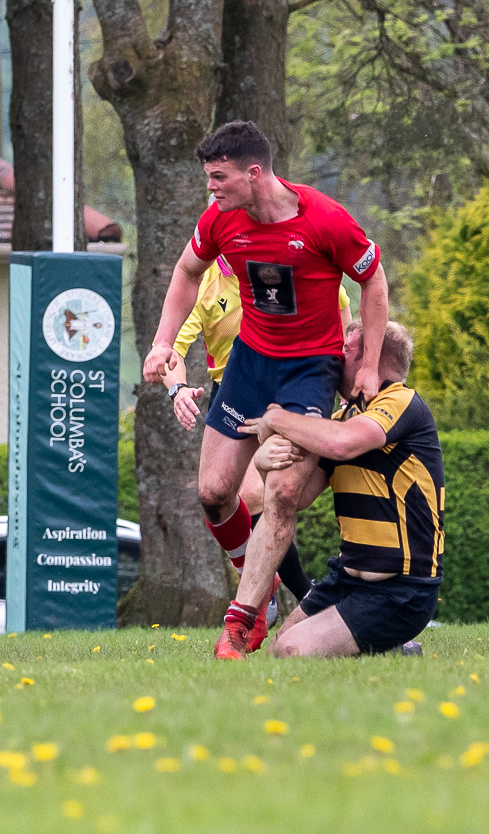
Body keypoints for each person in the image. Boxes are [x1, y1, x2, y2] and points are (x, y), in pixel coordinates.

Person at [142, 120, 390, 659]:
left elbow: (373, 279)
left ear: (254, 173)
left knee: (280, 492)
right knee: (213, 493)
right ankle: (259, 578)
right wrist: (163, 342)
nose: (211, 188)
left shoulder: (324, 219)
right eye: (209, 178)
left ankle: (241, 622)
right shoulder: (220, 219)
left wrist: (368, 366)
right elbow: (186, 272)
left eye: (219, 178)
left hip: (309, 371)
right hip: (250, 365)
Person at [164, 256, 352, 643]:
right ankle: (272, 586)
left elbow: (342, 311)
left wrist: (348, 378)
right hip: (233, 392)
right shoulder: (204, 279)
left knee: (263, 494)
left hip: (290, 387)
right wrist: (177, 389)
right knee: (215, 495)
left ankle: (293, 599)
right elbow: (171, 352)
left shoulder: (284, 259)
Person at [238, 320, 443, 657]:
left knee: (291, 651)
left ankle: (394, 646)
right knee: (279, 649)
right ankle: (391, 650)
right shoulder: (342, 418)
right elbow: (299, 497)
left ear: (371, 358)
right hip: (347, 581)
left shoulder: (401, 402)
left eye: (345, 350)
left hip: (401, 591)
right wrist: (263, 465)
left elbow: (343, 444)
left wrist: (275, 419)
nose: (333, 358)